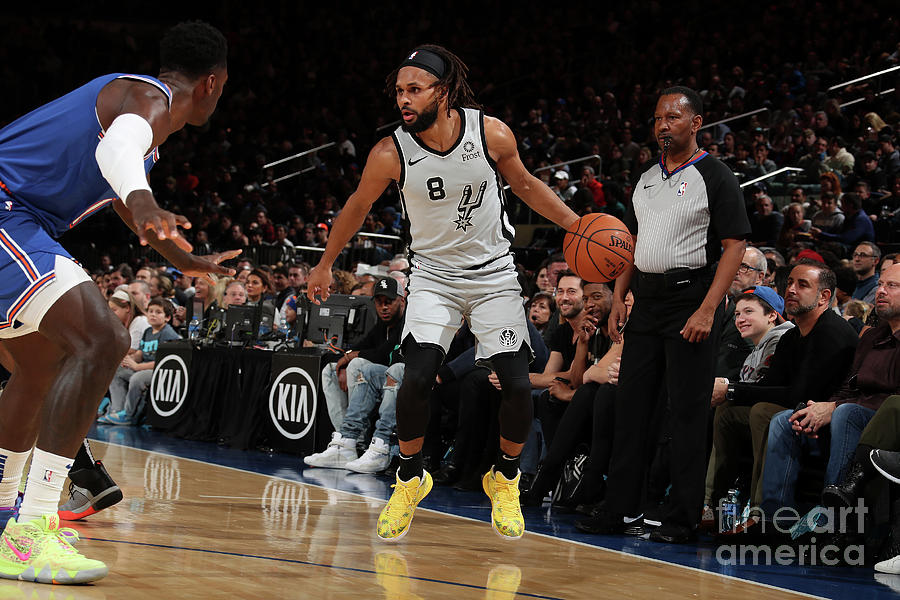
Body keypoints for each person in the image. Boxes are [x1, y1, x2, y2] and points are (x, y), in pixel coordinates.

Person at [306, 45, 579, 542]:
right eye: (398, 92)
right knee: (416, 377)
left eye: (414, 90)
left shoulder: (489, 132)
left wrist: (575, 225)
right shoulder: (390, 151)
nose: (403, 101)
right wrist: (325, 262)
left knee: (517, 385)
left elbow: (523, 183)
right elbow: (356, 205)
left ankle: (506, 477)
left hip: (494, 271)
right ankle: (410, 478)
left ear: (444, 92)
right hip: (433, 274)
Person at [0, 21, 237, 584]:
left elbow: (138, 214)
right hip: (7, 209)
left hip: (18, 218)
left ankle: (8, 510)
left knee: (39, 365)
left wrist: (189, 262)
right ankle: (31, 529)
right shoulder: (144, 99)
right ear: (212, 83)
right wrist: (144, 199)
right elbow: (118, 151)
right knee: (104, 338)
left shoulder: (137, 129)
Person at [577, 86, 750, 544]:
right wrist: (618, 296)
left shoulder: (717, 175)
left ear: (696, 123)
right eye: (657, 119)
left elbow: (735, 246)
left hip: (690, 297)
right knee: (630, 408)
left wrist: (708, 309)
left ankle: (681, 517)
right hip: (646, 301)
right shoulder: (646, 178)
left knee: (687, 414)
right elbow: (632, 245)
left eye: (672, 117)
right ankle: (620, 507)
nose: (662, 126)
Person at [100, 297, 181, 426]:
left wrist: (137, 366)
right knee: (117, 371)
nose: (153, 314)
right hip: (143, 367)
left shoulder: (168, 334)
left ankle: (129, 414)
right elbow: (141, 352)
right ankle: (117, 410)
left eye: (158, 312)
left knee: (137, 378)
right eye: (150, 311)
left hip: (158, 371)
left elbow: (163, 362)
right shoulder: (148, 331)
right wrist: (130, 359)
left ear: (167, 318)